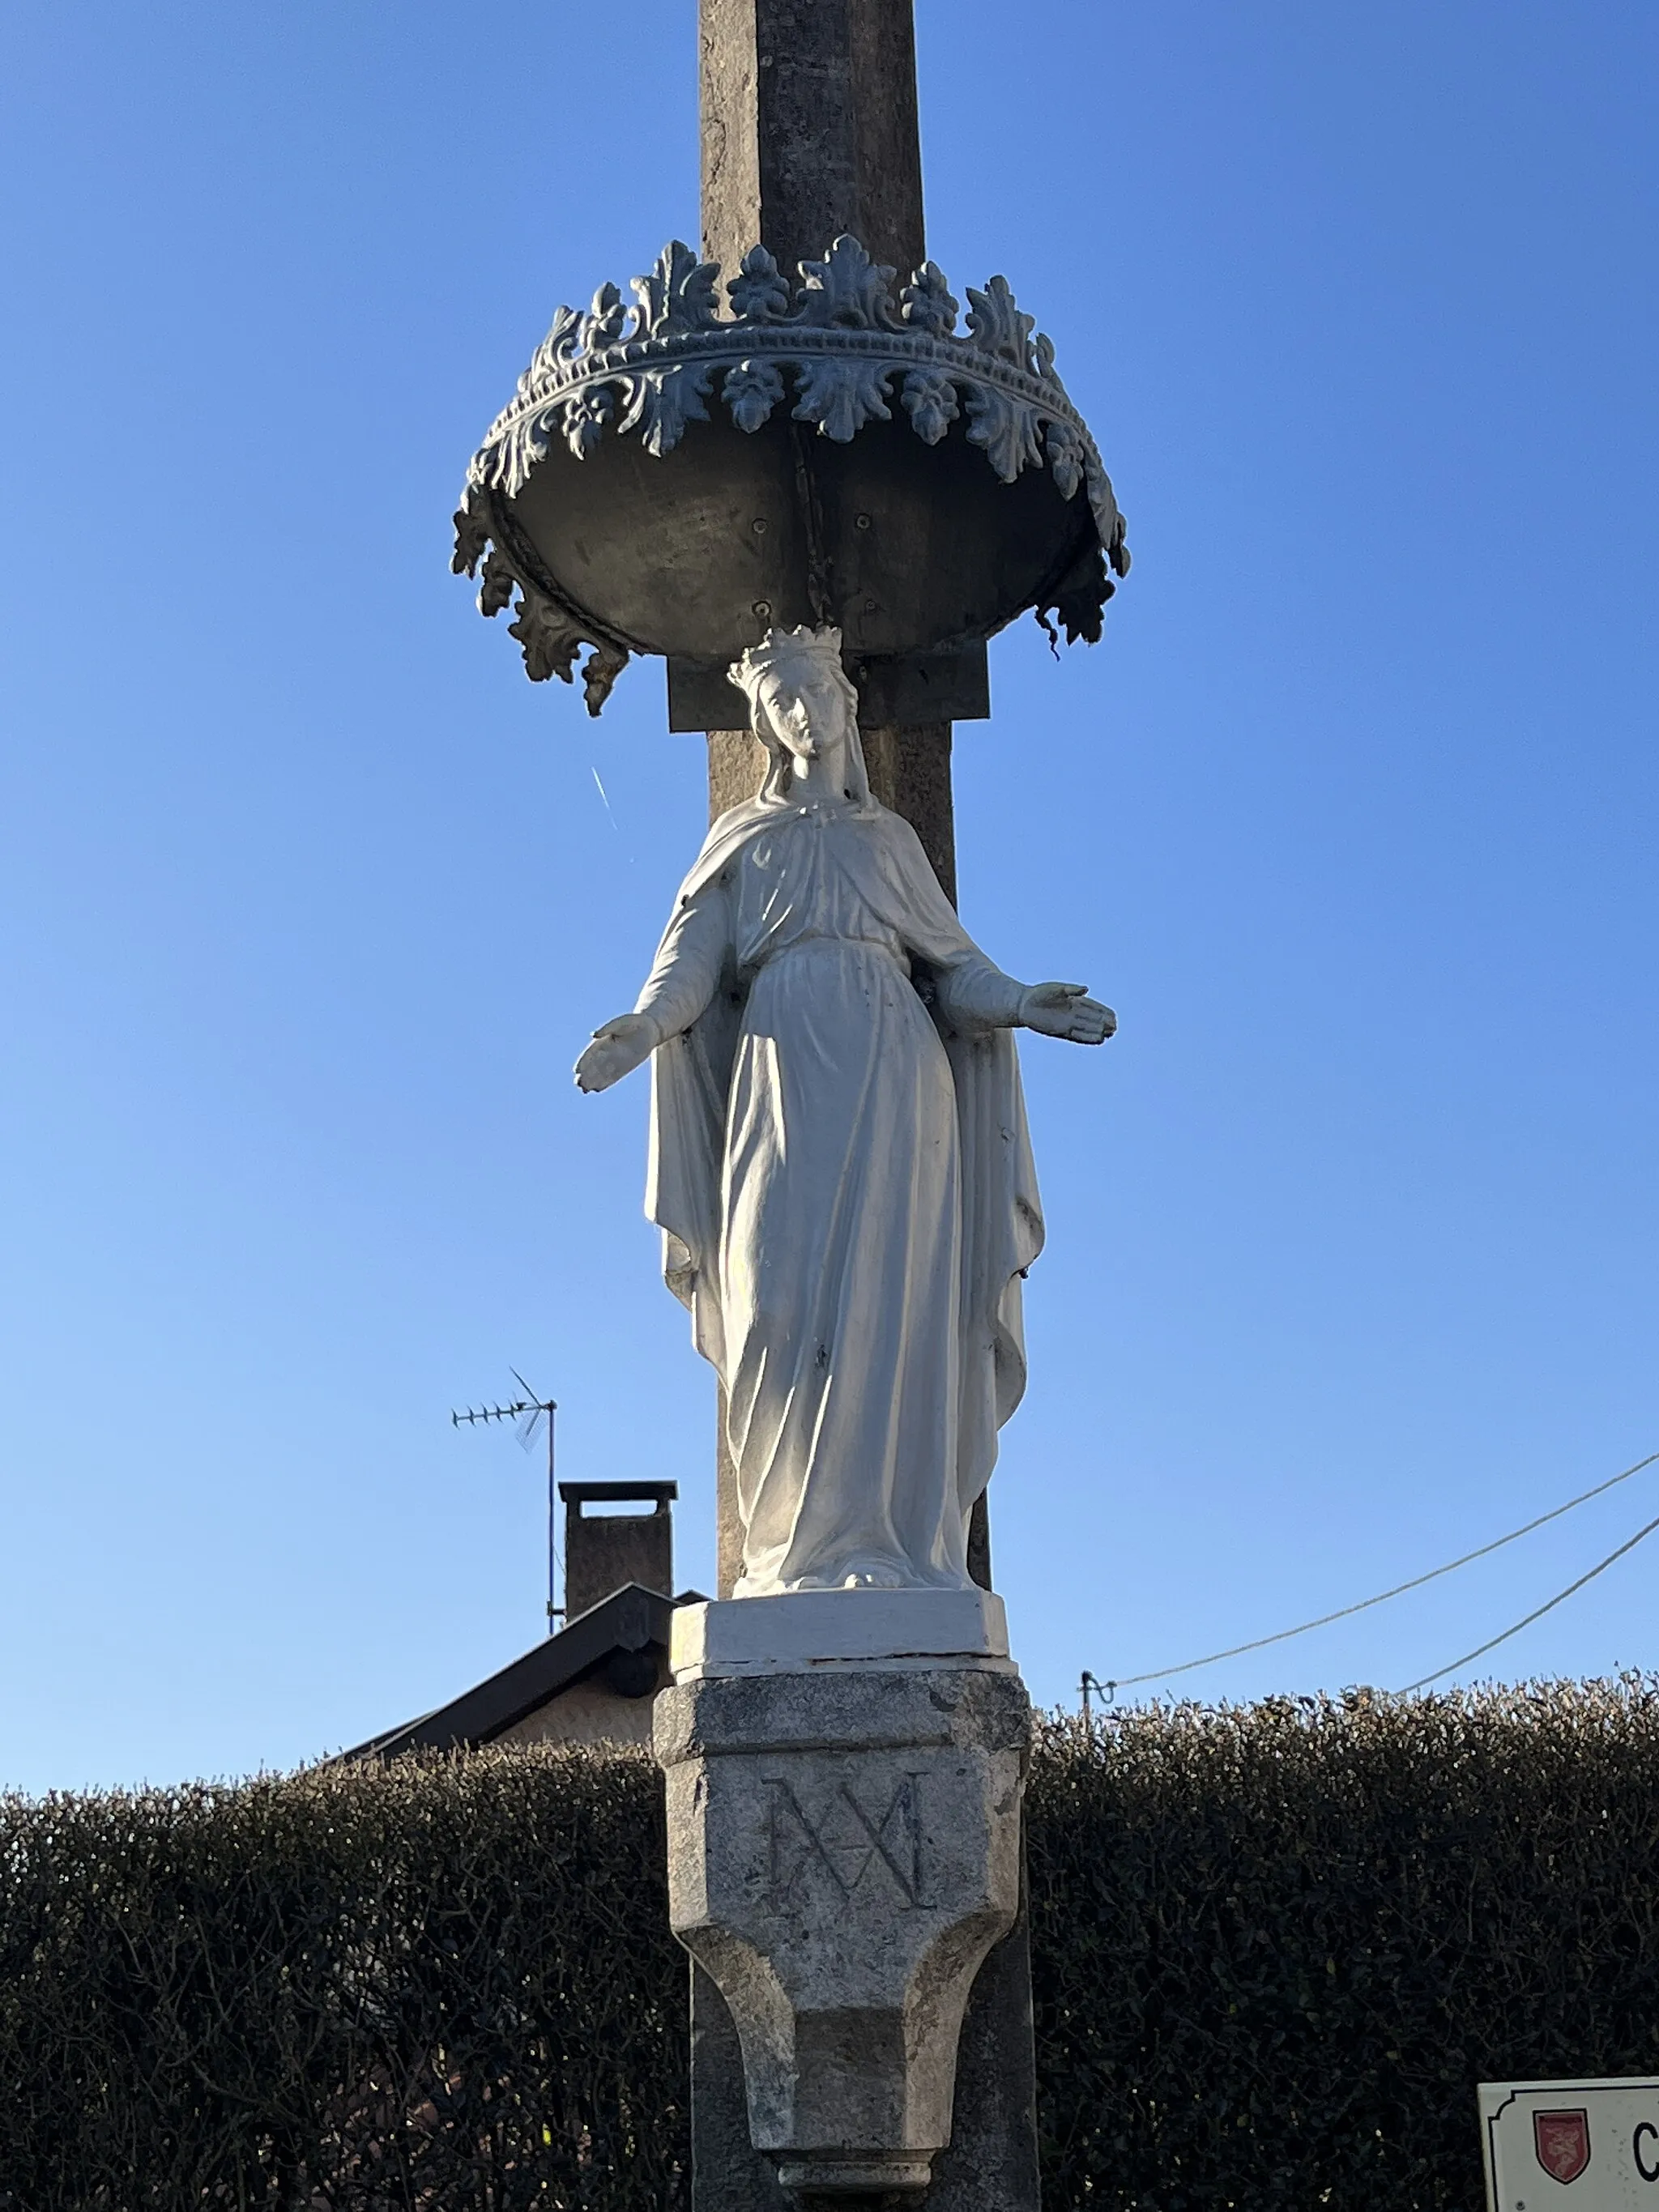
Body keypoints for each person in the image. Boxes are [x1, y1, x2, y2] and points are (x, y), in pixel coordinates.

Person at [575, 625, 1114, 1598]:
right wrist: (643, 1028)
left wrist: (1025, 1001)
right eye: (780, 700)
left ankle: (888, 1547)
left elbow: (957, 972)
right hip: (778, 1086)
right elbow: (689, 969)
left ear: (843, 704)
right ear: (764, 721)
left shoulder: (886, 841)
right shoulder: (741, 842)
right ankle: (787, 1556)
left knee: (887, 1309)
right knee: (767, 1298)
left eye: (813, 693)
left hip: (894, 1084)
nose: (800, 712)